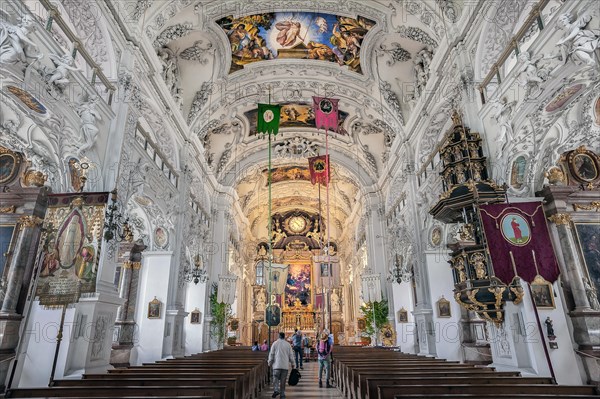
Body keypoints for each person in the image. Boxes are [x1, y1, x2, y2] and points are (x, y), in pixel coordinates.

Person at [268, 331, 295, 398]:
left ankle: (276, 390)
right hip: (284, 365)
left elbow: (271, 354)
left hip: (276, 365)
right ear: (284, 337)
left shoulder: (275, 344)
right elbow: (291, 355)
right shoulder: (288, 344)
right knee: (283, 380)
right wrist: (293, 363)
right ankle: (282, 394)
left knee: (275, 378)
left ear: (278, 336)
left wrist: (270, 362)